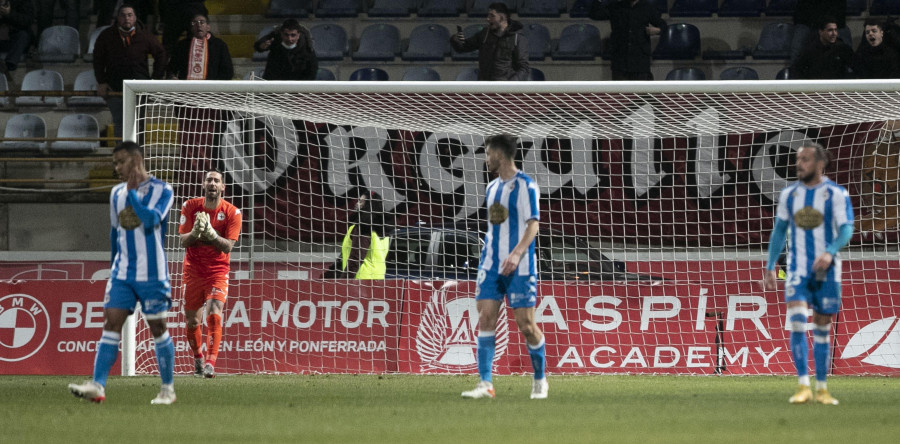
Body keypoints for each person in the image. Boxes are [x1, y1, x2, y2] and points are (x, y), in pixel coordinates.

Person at [68, 141, 176, 405]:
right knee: (111, 322)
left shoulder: (163, 190)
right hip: (123, 274)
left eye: (121, 161)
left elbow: (151, 221)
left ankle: (167, 390)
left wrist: (133, 196)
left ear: (137, 159)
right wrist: (113, 268)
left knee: (158, 327)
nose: (117, 167)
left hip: (152, 274)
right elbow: (115, 233)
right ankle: (98, 385)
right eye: (114, 162)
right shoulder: (115, 193)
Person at [761, 141, 854, 406]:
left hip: (827, 271)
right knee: (798, 324)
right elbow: (779, 231)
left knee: (822, 328)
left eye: (805, 159)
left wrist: (830, 251)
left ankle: (822, 388)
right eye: (798, 159)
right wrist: (769, 266)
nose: (799, 164)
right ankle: (803, 385)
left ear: (820, 163)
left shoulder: (836, 194)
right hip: (797, 270)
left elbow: (847, 228)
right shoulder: (790, 194)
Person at [461, 134, 547, 400]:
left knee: (526, 325)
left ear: (499, 154)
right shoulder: (491, 188)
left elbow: (533, 224)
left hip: (520, 266)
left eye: (487, 154)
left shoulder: (526, 186)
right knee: (486, 318)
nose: (486, 159)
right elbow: (496, 225)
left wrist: (516, 253)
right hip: (491, 265)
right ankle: (485, 384)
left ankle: (540, 380)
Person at [179, 170, 242, 378]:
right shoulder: (190, 206)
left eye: (217, 180)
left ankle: (210, 363)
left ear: (223, 187)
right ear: (204, 185)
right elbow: (183, 240)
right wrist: (196, 232)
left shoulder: (232, 213)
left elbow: (228, 247)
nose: (212, 183)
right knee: (192, 322)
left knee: (214, 314)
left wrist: (212, 234)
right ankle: (198, 358)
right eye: (209, 180)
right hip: (193, 271)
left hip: (217, 271)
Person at [92, 4, 167, 138]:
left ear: (135, 18)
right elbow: (97, 59)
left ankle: (139, 158)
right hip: (114, 88)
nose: (126, 18)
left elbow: (161, 54)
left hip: (139, 89)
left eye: (130, 15)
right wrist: (101, 82)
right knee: (120, 125)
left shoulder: (145, 35)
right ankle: (122, 158)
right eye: (123, 15)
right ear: (118, 18)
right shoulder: (107, 35)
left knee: (138, 125)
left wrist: (155, 80)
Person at [449, 2, 529, 81]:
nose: (488, 18)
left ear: (502, 17)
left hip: (505, 89)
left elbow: (523, 68)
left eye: (492, 16)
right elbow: (463, 48)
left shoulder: (517, 38)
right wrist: (456, 40)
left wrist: (510, 85)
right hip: (484, 87)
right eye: (488, 15)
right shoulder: (484, 34)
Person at [590, 0, 666, 81]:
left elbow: (663, 25)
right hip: (620, 61)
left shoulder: (647, 7)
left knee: (641, 92)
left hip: (640, 62)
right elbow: (594, 14)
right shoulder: (615, 6)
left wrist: (657, 30)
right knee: (621, 92)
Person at [327, 192, 392, 280]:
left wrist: (344, 281)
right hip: (379, 278)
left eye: (361, 202)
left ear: (369, 206)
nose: (357, 204)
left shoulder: (363, 227)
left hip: (361, 279)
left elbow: (355, 258)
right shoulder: (384, 230)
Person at [167, 12, 234, 80]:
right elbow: (172, 68)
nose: (198, 25)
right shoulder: (182, 45)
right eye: (194, 23)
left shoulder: (219, 45)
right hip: (186, 88)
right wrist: (173, 77)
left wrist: (214, 85)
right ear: (191, 28)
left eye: (202, 22)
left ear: (208, 27)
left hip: (211, 88)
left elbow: (227, 71)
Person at [253, 18, 318, 81]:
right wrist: (262, 46)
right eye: (286, 35)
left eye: (293, 35)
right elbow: (258, 45)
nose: (289, 39)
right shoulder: (275, 37)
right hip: (274, 80)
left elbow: (312, 70)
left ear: (298, 35)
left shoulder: (307, 46)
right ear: (281, 34)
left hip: (298, 82)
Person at [0, 0, 34, 82]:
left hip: (16, 39)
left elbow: (27, 21)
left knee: (23, 35)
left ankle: (9, 65)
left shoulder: (23, 2)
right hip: (2, 39)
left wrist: (9, 14)